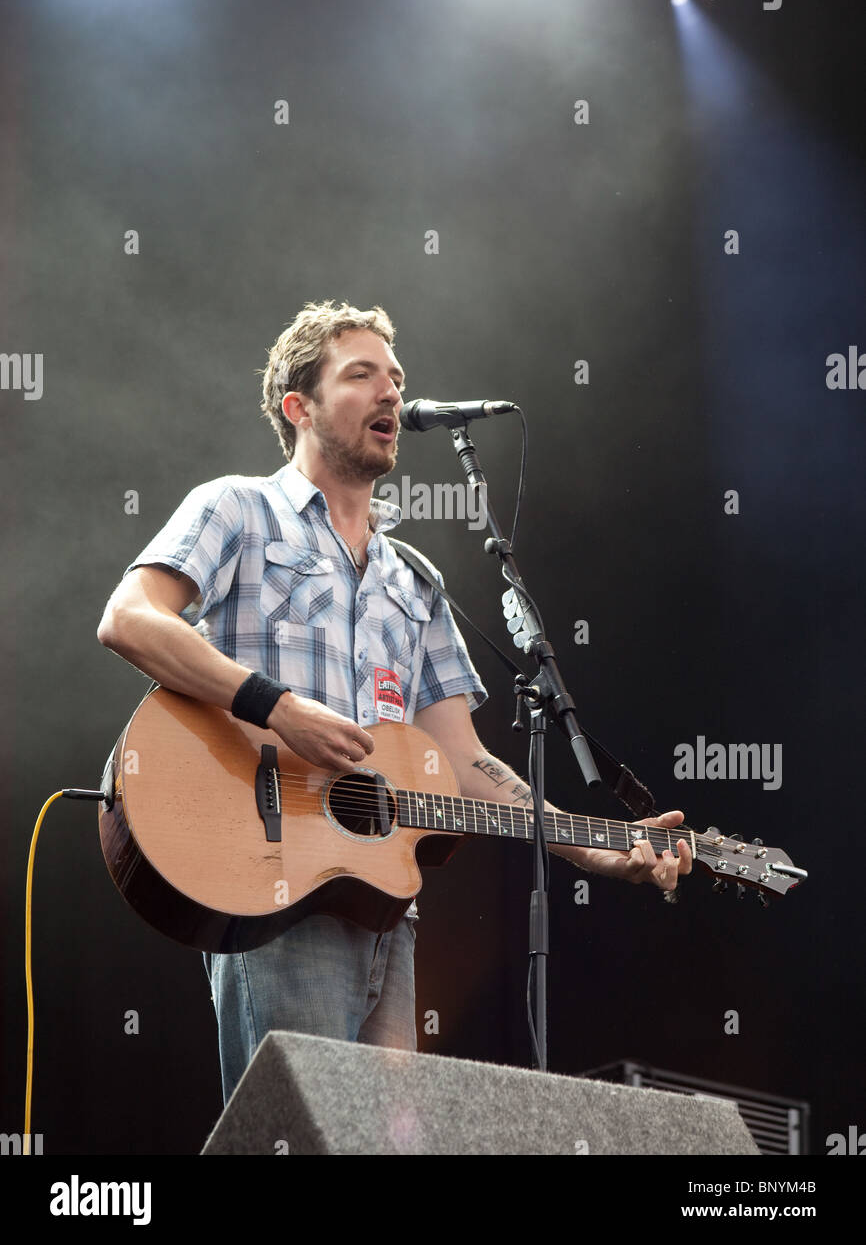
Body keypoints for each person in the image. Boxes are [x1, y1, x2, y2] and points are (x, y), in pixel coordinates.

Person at [97, 299, 692, 1104]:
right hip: (267, 881)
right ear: (297, 407)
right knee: (296, 1139)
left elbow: (465, 758)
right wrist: (276, 706)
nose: (393, 394)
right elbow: (128, 619)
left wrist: (595, 848)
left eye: (398, 378)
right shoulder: (236, 508)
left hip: (384, 907)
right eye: (362, 375)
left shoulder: (415, 579)